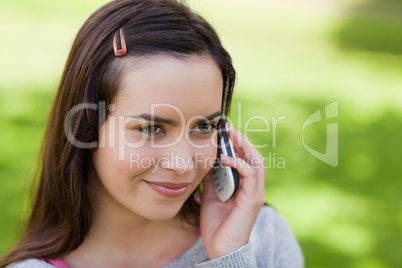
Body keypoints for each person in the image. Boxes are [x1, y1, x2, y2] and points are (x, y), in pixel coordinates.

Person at [1, 0, 304, 267]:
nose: (183, 164)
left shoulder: (263, 235)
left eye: (204, 127)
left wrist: (229, 257)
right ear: (87, 127)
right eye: (151, 128)